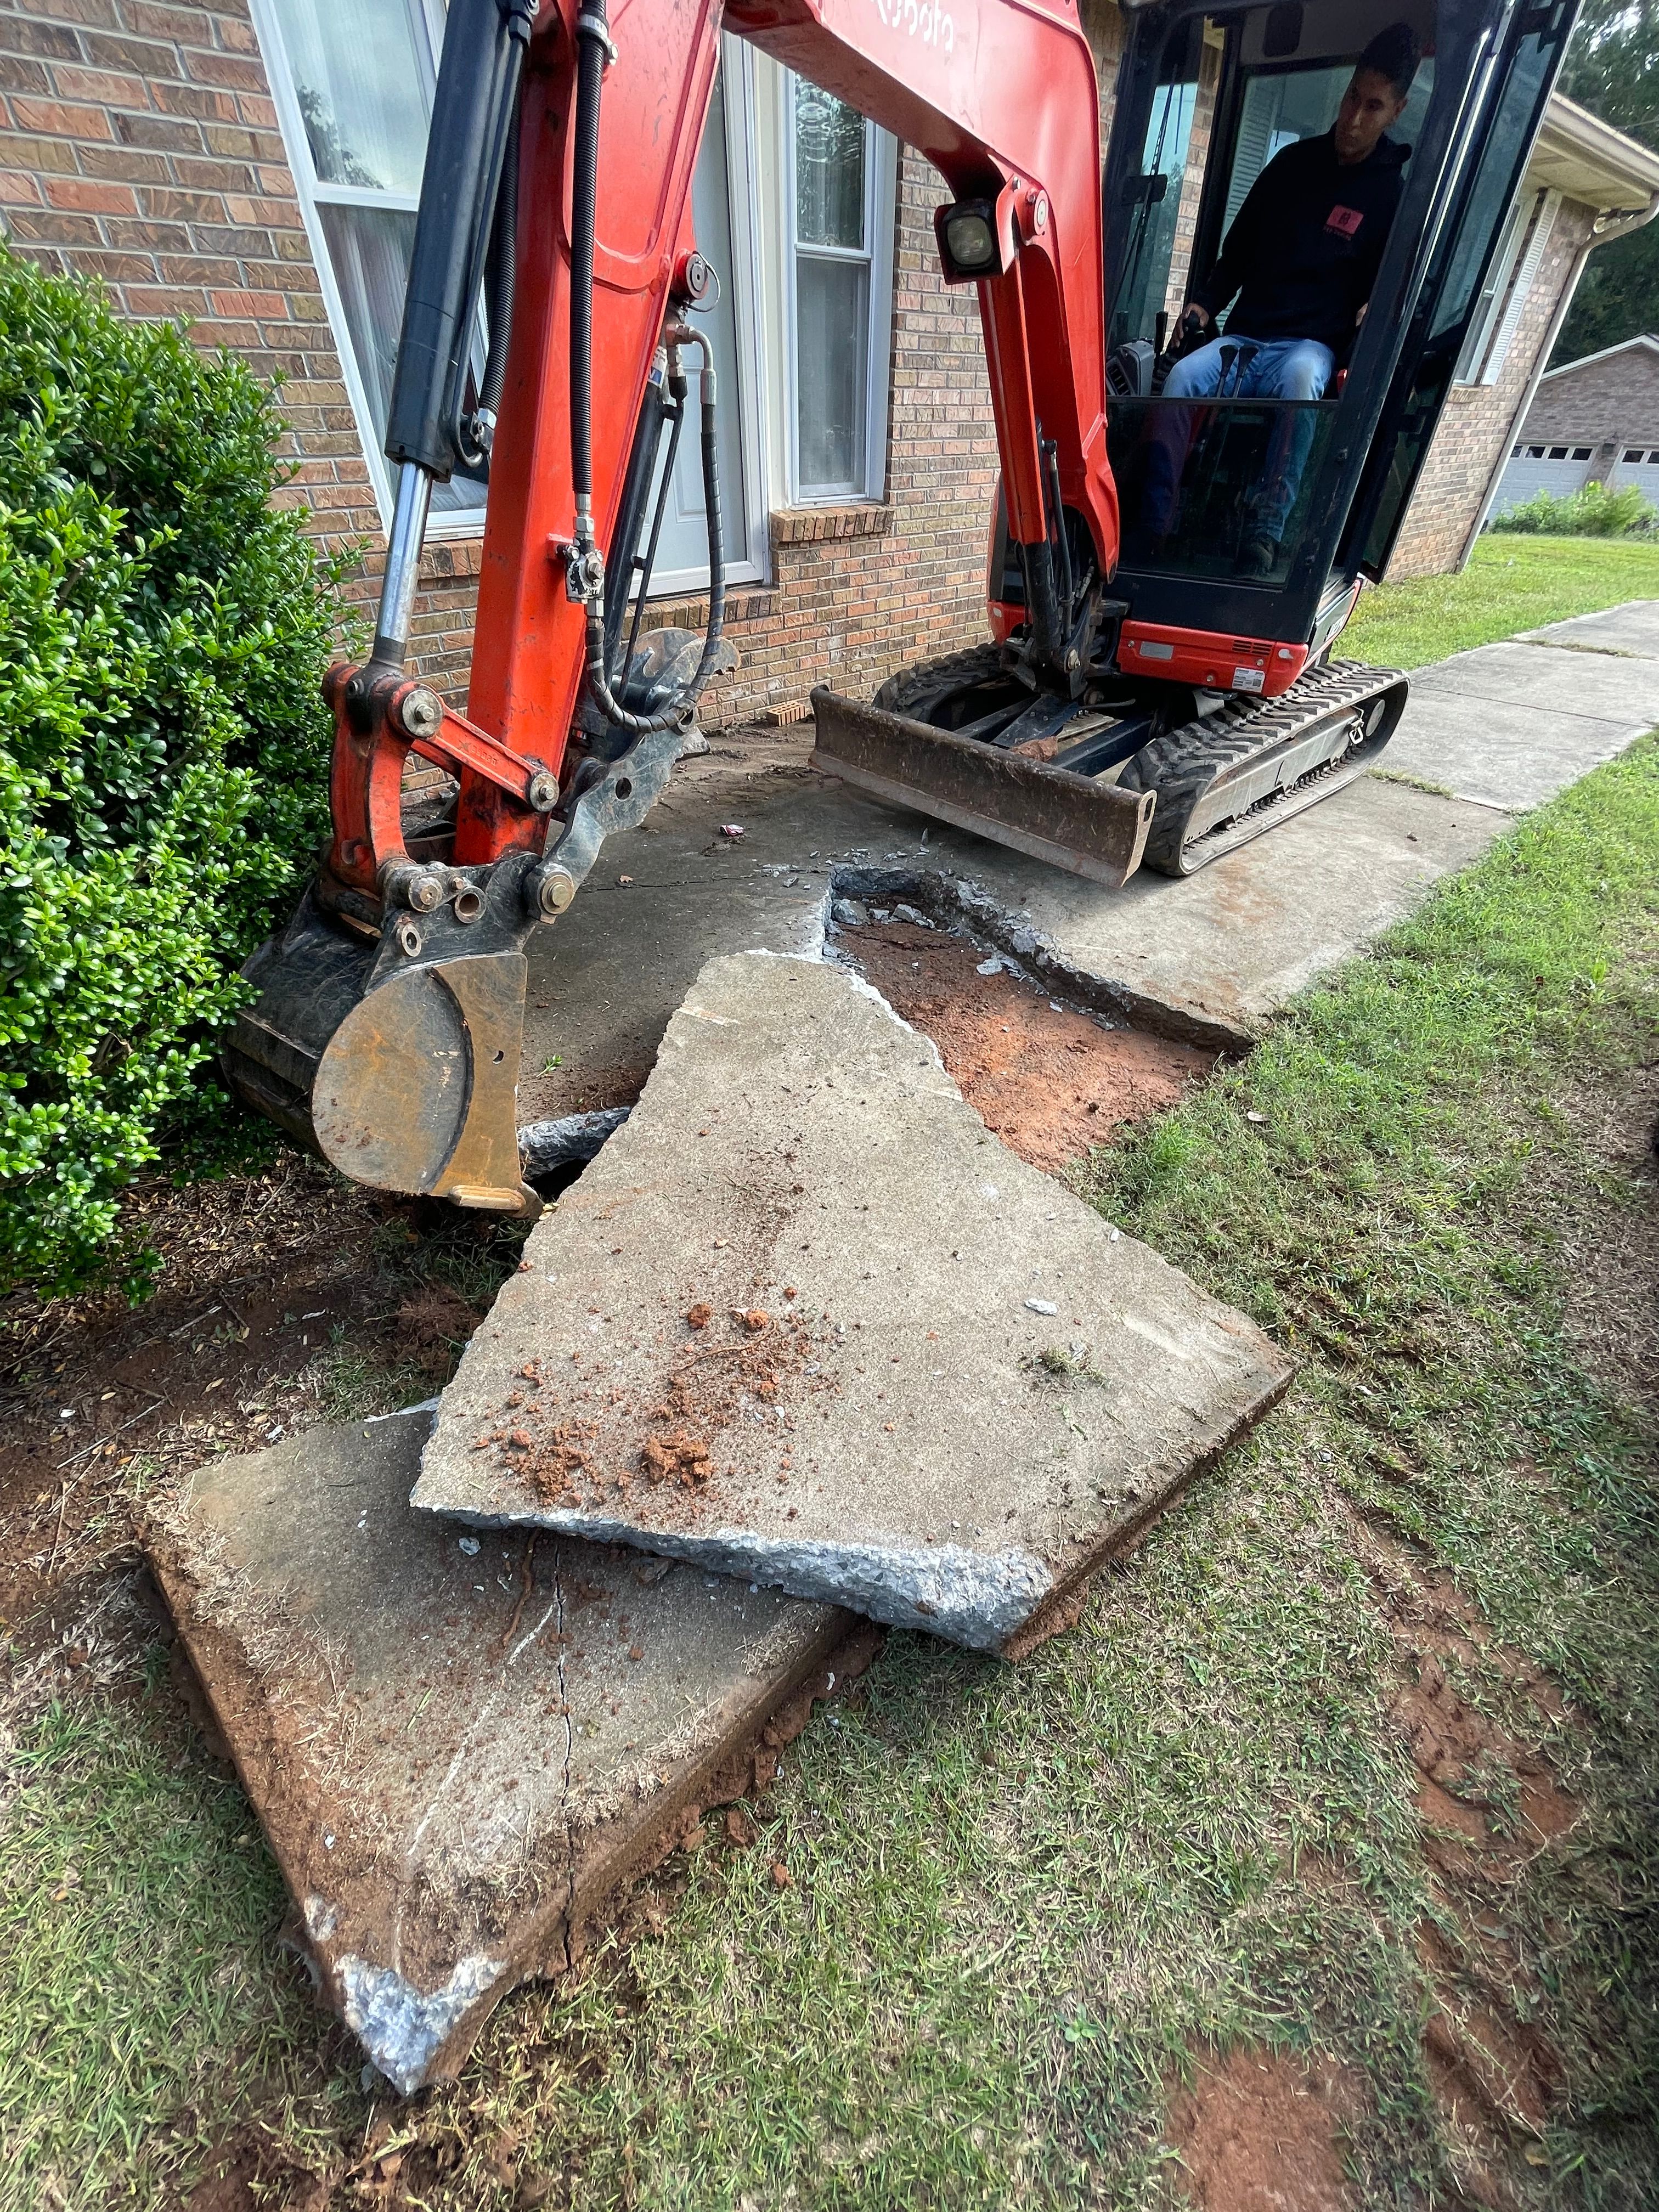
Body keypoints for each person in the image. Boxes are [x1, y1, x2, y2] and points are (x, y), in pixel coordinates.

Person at [1142, 21, 1420, 572]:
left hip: (1308, 344)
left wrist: (1373, 305)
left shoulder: (1391, 194)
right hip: (1246, 335)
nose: (1354, 119)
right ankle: (1153, 524)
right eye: (1351, 99)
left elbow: (1392, 280)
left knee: (1300, 385)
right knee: (1180, 380)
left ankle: (1266, 533)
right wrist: (1204, 302)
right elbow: (1238, 252)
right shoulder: (1291, 167)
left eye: (1373, 106)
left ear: (1397, 111)